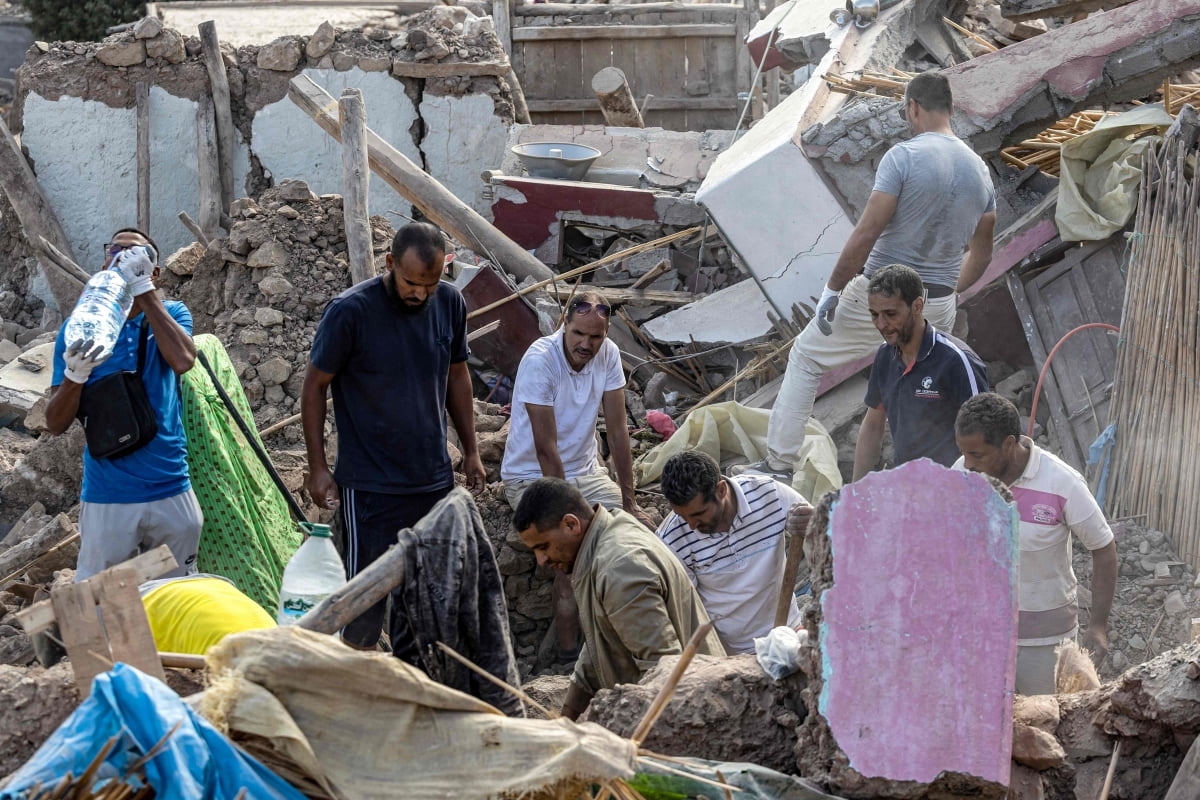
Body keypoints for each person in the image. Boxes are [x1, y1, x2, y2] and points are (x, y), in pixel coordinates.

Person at [743, 71, 996, 482]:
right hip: (937, 302)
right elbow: (982, 254)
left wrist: (831, 291)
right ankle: (936, 476)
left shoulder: (904, 157)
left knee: (807, 357)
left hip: (883, 296)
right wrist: (947, 292)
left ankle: (779, 465)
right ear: (951, 109)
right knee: (921, 390)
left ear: (913, 107)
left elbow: (867, 232)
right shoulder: (981, 174)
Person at [302, 222, 487, 651]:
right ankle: (356, 690)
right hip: (371, 486)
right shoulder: (351, 311)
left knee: (429, 599)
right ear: (389, 264)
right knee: (363, 607)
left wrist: (472, 450)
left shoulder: (450, 304)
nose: (420, 293)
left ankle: (415, 687)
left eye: (431, 283)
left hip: (433, 481)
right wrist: (317, 467)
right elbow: (314, 386)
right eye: (411, 282)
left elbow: (457, 377)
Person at [46, 228, 202, 580]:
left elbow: (182, 361)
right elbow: (54, 423)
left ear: (154, 271)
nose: (120, 257)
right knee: (101, 601)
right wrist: (76, 374)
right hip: (108, 495)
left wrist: (143, 290)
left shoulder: (171, 314)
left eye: (135, 253)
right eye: (114, 249)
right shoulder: (79, 329)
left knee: (174, 596)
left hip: (171, 486)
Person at [501, 290, 650, 658]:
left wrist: (628, 500)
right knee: (571, 552)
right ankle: (569, 655)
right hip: (532, 476)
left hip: (587, 471)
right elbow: (546, 449)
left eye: (595, 337)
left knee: (635, 538)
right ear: (563, 324)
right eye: (579, 334)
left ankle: (627, 644)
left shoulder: (609, 355)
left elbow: (617, 432)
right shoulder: (541, 361)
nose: (586, 344)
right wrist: (570, 514)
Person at [513, 478, 725, 720]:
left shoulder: (619, 569)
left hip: (695, 714)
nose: (541, 560)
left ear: (571, 524)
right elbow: (599, 644)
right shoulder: (608, 531)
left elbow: (662, 673)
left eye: (543, 546)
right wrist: (566, 720)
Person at [954, 392, 1117, 696]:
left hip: (1046, 642)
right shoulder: (961, 476)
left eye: (977, 455)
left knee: (1048, 723)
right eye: (963, 453)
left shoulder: (1062, 483)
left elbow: (1103, 548)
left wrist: (1098, 625)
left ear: (1008, 444)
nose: (967, 464)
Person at [656, 450, 813, 654]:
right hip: (730, 652)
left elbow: (828, 534)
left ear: (721, 490)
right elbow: (688, 613)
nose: (692, 525)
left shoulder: (769, 494)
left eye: (699, 514)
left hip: (788, 632)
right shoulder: (672, 539)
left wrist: (815, 521)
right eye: (682, 516)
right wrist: (722, 659)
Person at [853, 264, 988, 480]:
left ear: (917, 306)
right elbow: (873, 424)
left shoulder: (955, 360)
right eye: (874, 315)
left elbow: (985, 436)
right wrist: (856, 492)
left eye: (890, 314)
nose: (881, 324)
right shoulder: (884, 357)